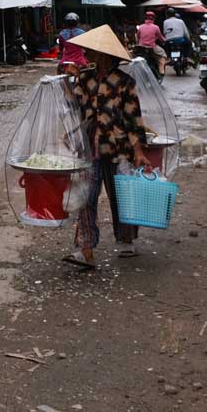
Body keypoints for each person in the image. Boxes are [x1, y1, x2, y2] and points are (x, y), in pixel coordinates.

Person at [60, 25, 150, 270]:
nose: (86, 53)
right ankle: (84, 249)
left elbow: (134, 120)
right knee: (85, 199)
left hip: (118, 149)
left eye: (91, 50)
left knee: (120, 196)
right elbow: (73, 104)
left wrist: (139, 153)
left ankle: (126, 239)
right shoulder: (85, 77)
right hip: (90, 149)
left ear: (104, 54)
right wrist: (66, 80)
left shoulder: (124, 82)